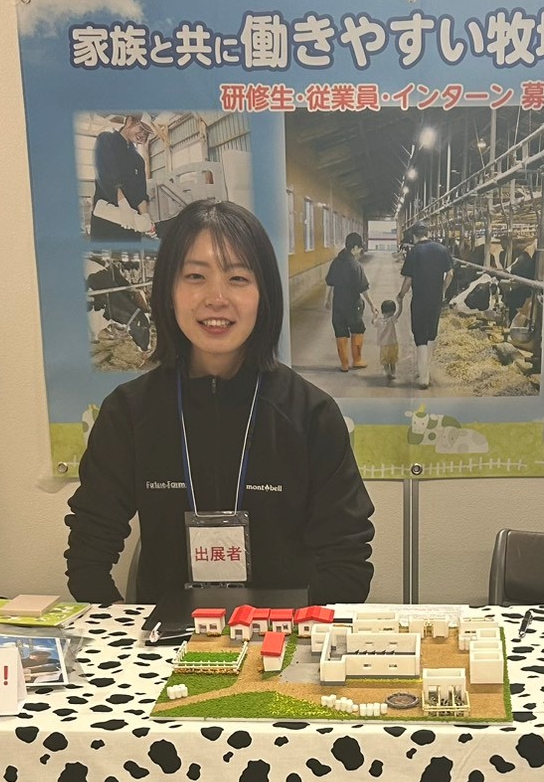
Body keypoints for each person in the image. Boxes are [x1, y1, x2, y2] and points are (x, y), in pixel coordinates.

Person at [66, 200, 374, 606]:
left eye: (238, 278)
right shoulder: (129, 412)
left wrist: (291, 636)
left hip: (283, 636)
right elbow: (88, 558)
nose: (216, 298)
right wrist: (130, 635)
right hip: (167, 639)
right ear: (168, 291)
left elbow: (347, 564)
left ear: (264, 294)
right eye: (195, 276)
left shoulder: (311, 415)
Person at [397, 224, 453, 389]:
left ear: (414, 236)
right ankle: (426, 371)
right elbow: (450, 273)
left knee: (420, 335)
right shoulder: (442, 249)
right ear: (427, 233)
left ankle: (423, 377)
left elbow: (408, 279)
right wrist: (442, 290)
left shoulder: (414, 252)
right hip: (435, 299)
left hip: (420, 299)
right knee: (431, 334)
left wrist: (401, 295)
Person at [89, 115, 156, 240]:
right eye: (141, 129)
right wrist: (124, 206)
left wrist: (146, 218)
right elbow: (106, 175)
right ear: (129, 121)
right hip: (107, 220)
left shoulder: (138, 160)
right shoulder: (105, 140)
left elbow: (141, 193)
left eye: (146, 133)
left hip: (131, 224)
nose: (142, 134)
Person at [324, 232, 376, 372]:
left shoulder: (336, 262)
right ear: (355, 247)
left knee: (340, 331)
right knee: (357, 329)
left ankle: (344, 364)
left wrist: (326, 299)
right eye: (360, 248)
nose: (360, 251)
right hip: (353, 305)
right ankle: (357, 360)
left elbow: (329, 282)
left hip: (338, 304)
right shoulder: (356, 265)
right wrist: (372, 305)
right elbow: (363, 288)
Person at [373, 299, 401, 384]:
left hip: (384, 346)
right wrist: (400, 304)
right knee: (393, 361)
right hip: (393, 344)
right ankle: (393, 372)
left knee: (385, 361)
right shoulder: (391, 319)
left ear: (382, 311)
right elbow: (399, 313)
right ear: (393, 311)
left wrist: (375, 314)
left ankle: (388, 372)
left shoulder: (379, 321)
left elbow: (373, 321)